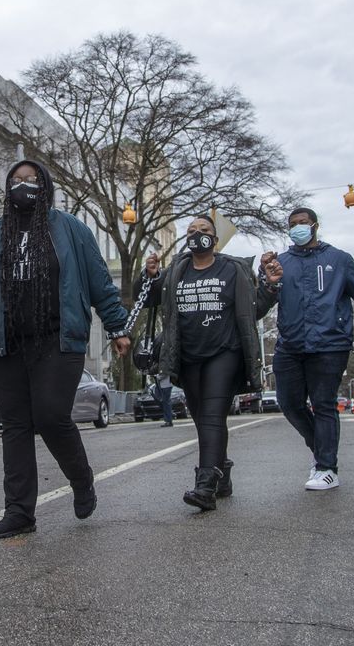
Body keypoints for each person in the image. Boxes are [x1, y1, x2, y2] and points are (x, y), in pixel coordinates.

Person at [0, 160, 130, 539]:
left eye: (31, 180)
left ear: (45, 187)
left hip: (58, 339)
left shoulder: (70, 229)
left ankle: (81, 480)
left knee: (50, 415)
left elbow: (99, 279)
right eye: (16, 180)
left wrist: (117, 325)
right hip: (7, 341)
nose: (23, 186)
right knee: (15, 426)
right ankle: (19, 512)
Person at [145, 215, 281, 510]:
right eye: (191, 231)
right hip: (189, 356)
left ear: (215, 238)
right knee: (204, 419)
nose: (197, 234)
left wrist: (269, 288)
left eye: (204, 230)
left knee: (211, 415)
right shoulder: (177, 270)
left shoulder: (232, 268)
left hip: (225, 352)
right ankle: (223, 474)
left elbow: (251, 310)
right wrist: (150, 274)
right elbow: (150, 298)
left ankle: (204, 485)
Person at [272, 207, 354, 490]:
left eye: (302, 223)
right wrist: (267, 280)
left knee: (324, 403)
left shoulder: (339, 259)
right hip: (290, 344)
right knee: (289, 404)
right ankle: (320, 450)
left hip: (329, 343)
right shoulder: (281, 262)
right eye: (292, 224)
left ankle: (327, 468)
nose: (298, 228)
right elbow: (263, 300)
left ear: (315, 225)